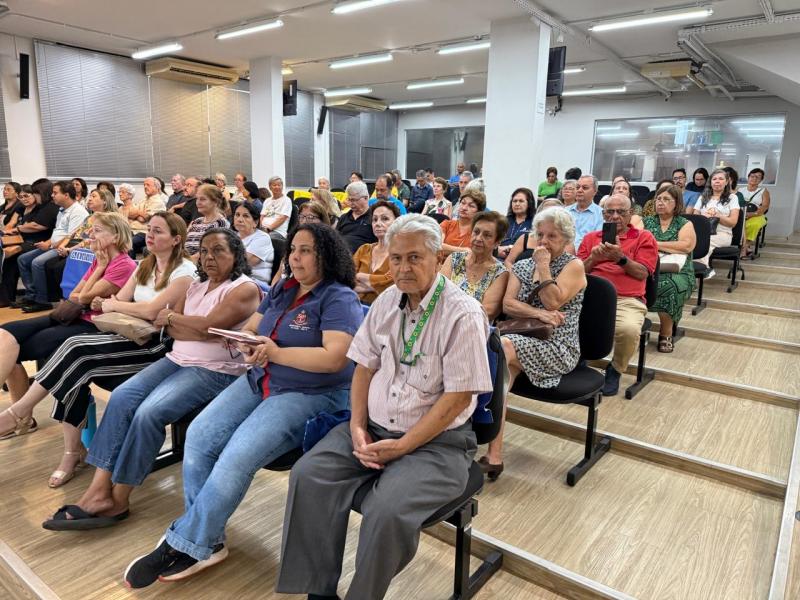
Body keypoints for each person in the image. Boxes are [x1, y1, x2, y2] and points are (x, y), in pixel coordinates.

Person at [123, 223, 364, 588]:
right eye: (293, 250)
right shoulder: (284, 289)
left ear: (326, 256)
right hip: (262, 378)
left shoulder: (338, 298)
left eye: (305, 251)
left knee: (236, 455)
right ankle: (208, 539)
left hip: (310, 393)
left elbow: (335, 359)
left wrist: (276, 352)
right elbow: (253, 326)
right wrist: (248, 341)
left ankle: (185, 540)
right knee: (201, 435)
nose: (294, 258)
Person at [275, 214, 493, 600]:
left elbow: (458, 398)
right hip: (372, 428)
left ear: (437, 256)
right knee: (309, 475)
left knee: (387, 510)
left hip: (436, 444)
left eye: (413, 258)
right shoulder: (386, 301)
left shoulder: (462, 313)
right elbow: (363, 367)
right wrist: (357, 427)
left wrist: (404, 445)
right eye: (395, 259)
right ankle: (317, 591)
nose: (402, 268)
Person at [41, 229, 261, 531]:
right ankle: (98, 488)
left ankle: (119, 497)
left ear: (236, 254)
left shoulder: (243, 288)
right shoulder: (197, 285)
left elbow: (207, 328)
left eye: (219, 251)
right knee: (122, 398)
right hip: (175, 359)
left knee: (148, 413)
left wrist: (178, 321)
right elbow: (171, 328)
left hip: (215, 370)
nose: (210, 257)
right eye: (205, 251)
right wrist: (182, 324)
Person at [3, 213, 195, 487]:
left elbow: (147, 309)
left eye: (158, 232)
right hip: (128, 335)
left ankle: (20, 414)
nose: (150, 235)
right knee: (70, 353)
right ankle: (70, 449)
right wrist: (118, 305)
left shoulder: (183, 271)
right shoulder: (145, 266)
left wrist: (116, 306)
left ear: (176, 239)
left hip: (155, 346)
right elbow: (114, 301)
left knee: (75, 352)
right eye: (149, 230)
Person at [0, 212, 136, 436]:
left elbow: (83, 298)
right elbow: (75, 296)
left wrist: (99, 271)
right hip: (70, 315)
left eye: (97, 230)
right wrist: (97, 271)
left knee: (14, 352)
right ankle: (22, 419)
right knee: (5, 333)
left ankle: (21, 419)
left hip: (91, 324)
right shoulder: (99, 260)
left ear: (115, 236)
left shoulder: (124, 265)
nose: (90, 235)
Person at [481, 207, 586, 478]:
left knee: (500, 349)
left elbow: (554, 300)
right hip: (522, 340)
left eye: (552, 236)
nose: (544, 241)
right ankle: (494, 454)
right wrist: (539, 313)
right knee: (502, 375)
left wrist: (543, 265)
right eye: (540, 234)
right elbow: (508, 304)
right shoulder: (522, 265)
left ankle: (481, 437)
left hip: (558, 346)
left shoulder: (573, 265)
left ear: (566, 240)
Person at [578, 194, 658, 396]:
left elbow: (643, 273)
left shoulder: (644, 237)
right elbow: (577, 272)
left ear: (630, 214)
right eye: (609, 212)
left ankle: (615, 369)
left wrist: (620, 258)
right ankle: (576, 361)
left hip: (627, 299)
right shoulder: (590, 238)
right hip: (590, 297)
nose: (615, 217)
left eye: (621, 212)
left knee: (628, 330)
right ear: (603, 214)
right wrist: (593, 259)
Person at [17, 180, 89, 312]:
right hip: (54, 244)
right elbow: (57, 232)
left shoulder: (78, 211)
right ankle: (31, 295)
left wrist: (51, 245)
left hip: (64, 247)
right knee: (22, 259)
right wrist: (48, 243)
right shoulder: (62, 210)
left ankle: (42, 300)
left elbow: (71, 236)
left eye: (55, 193)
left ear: (66, 195)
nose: (52, 195)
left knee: (37, 262)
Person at [643, 186, 696, 353]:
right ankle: (638, 329)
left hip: (678, 270)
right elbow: (637, 243)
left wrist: (654, 244)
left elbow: (686, 246)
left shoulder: (684, 223)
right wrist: (669, 247)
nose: (661, 203)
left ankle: (666, 333)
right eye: (659, 199)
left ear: (676, 203)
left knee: (669, 287)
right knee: (635, 282)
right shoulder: (646, 221)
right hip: (650, 267)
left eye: (666, 200)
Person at [441, 211, 509, 322]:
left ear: (497, 242)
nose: (478, 238)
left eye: (487, 235)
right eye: (476, 232)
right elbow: (438, 294)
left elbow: (487, 312)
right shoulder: (454, 259)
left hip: (474, 329)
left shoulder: (500, 273)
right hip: (442, 320)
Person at [1, 181, 59, 308]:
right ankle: (10, 296)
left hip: (37, 241)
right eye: (21, 197)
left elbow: (37, 226)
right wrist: (8, 231)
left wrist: (17, 229)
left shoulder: (44, 207)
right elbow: (12, 223)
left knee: (12, 254)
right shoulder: (21, 207)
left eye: (28, 195)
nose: (24, 199)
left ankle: (33, 296)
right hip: (23, 239)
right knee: (9, 260)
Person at [687, 168, 740, 278]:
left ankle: (697, 273)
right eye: (714, 179)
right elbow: (695, 218)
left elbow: (733, 223)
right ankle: (699, 270)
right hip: (703, 232)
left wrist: (718, 216)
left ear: (726, 182)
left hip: (722, 234)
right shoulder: (703, 197)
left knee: (703, 243)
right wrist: (704, 217)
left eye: (721, 179)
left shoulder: (733, 198)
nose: (717, 181)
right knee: (689, 241)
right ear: (710, 182)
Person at [353, 200, 400, 304]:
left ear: (396, 222)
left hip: (388, 308)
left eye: (385, 219)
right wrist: (379, 284)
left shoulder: (401, 253)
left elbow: (395, 284)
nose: (378, 223)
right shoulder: (364, 249)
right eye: (375, 219)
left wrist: (360, 276)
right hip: (357, 307)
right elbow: (348, 278)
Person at [185, 184, 229, 259]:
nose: (198, 202)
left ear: (215, 202)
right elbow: (183, 244)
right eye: (197, 199)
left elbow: (208, 252)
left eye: (202, 199)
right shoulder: (197, 221)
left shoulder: (220, 223)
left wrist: (185, 262)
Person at [233, 202, 273, 284]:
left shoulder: (263, 238)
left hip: (254, 282)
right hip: (234, 278)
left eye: (246, 216)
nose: (239, 219)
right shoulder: (232, 236)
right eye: (237, 215)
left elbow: (245, 262)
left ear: (255, 222)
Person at [127, 177, 167, 258]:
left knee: (128, 243)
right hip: (133, 230)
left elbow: (143, 219)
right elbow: (130, 214)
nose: (145, 187)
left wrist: (137, 213)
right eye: (144, 185)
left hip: (145, 232)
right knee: (118, 239)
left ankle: (131, 267)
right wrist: (140, 213)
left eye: (148, 185)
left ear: (156, 187)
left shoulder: (158, 202)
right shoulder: (143, 200)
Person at [440, 189, 485, 255]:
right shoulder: (447, 224)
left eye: (471, 206)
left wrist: (447, 249)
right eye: (463, 203)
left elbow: (475, 255)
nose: (464, 208)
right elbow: (436, 246)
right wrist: (464, 250)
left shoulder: (479, 232)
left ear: (478, 212)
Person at [336, 181, 377, 253]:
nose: (351, 204)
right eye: (349, 200)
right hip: (341, 256)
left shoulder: (375, 217)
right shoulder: (344, 218)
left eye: (354, 200)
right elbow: (335, 239)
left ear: (366, 198)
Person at [567, 174, 604, 249]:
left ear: (595, 191)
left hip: (588, 254)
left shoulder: (602, 214)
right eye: (577, 187)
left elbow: (597, 240)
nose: (579, 190)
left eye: (585, 188)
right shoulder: (565, 211)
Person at [498, 187, 534, 259]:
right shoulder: (503, 221)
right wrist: (498, 250)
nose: (517, 204)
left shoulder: (535, 222)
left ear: (529, 203)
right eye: (514, 201)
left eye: (521, 201)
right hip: (499, 258)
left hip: (521, 260)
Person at [741, 168, 770, 257]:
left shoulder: (763, 191)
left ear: (761, 180)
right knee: (738, 225)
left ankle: (744, 247)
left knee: (754, 224)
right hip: (741, 214)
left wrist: (752, 214)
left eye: (758, 177)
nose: (754, 178)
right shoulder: (740, 190)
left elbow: (765, 206)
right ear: (748, 177)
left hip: (757, 215)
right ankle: (745, 247)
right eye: (752, 176)